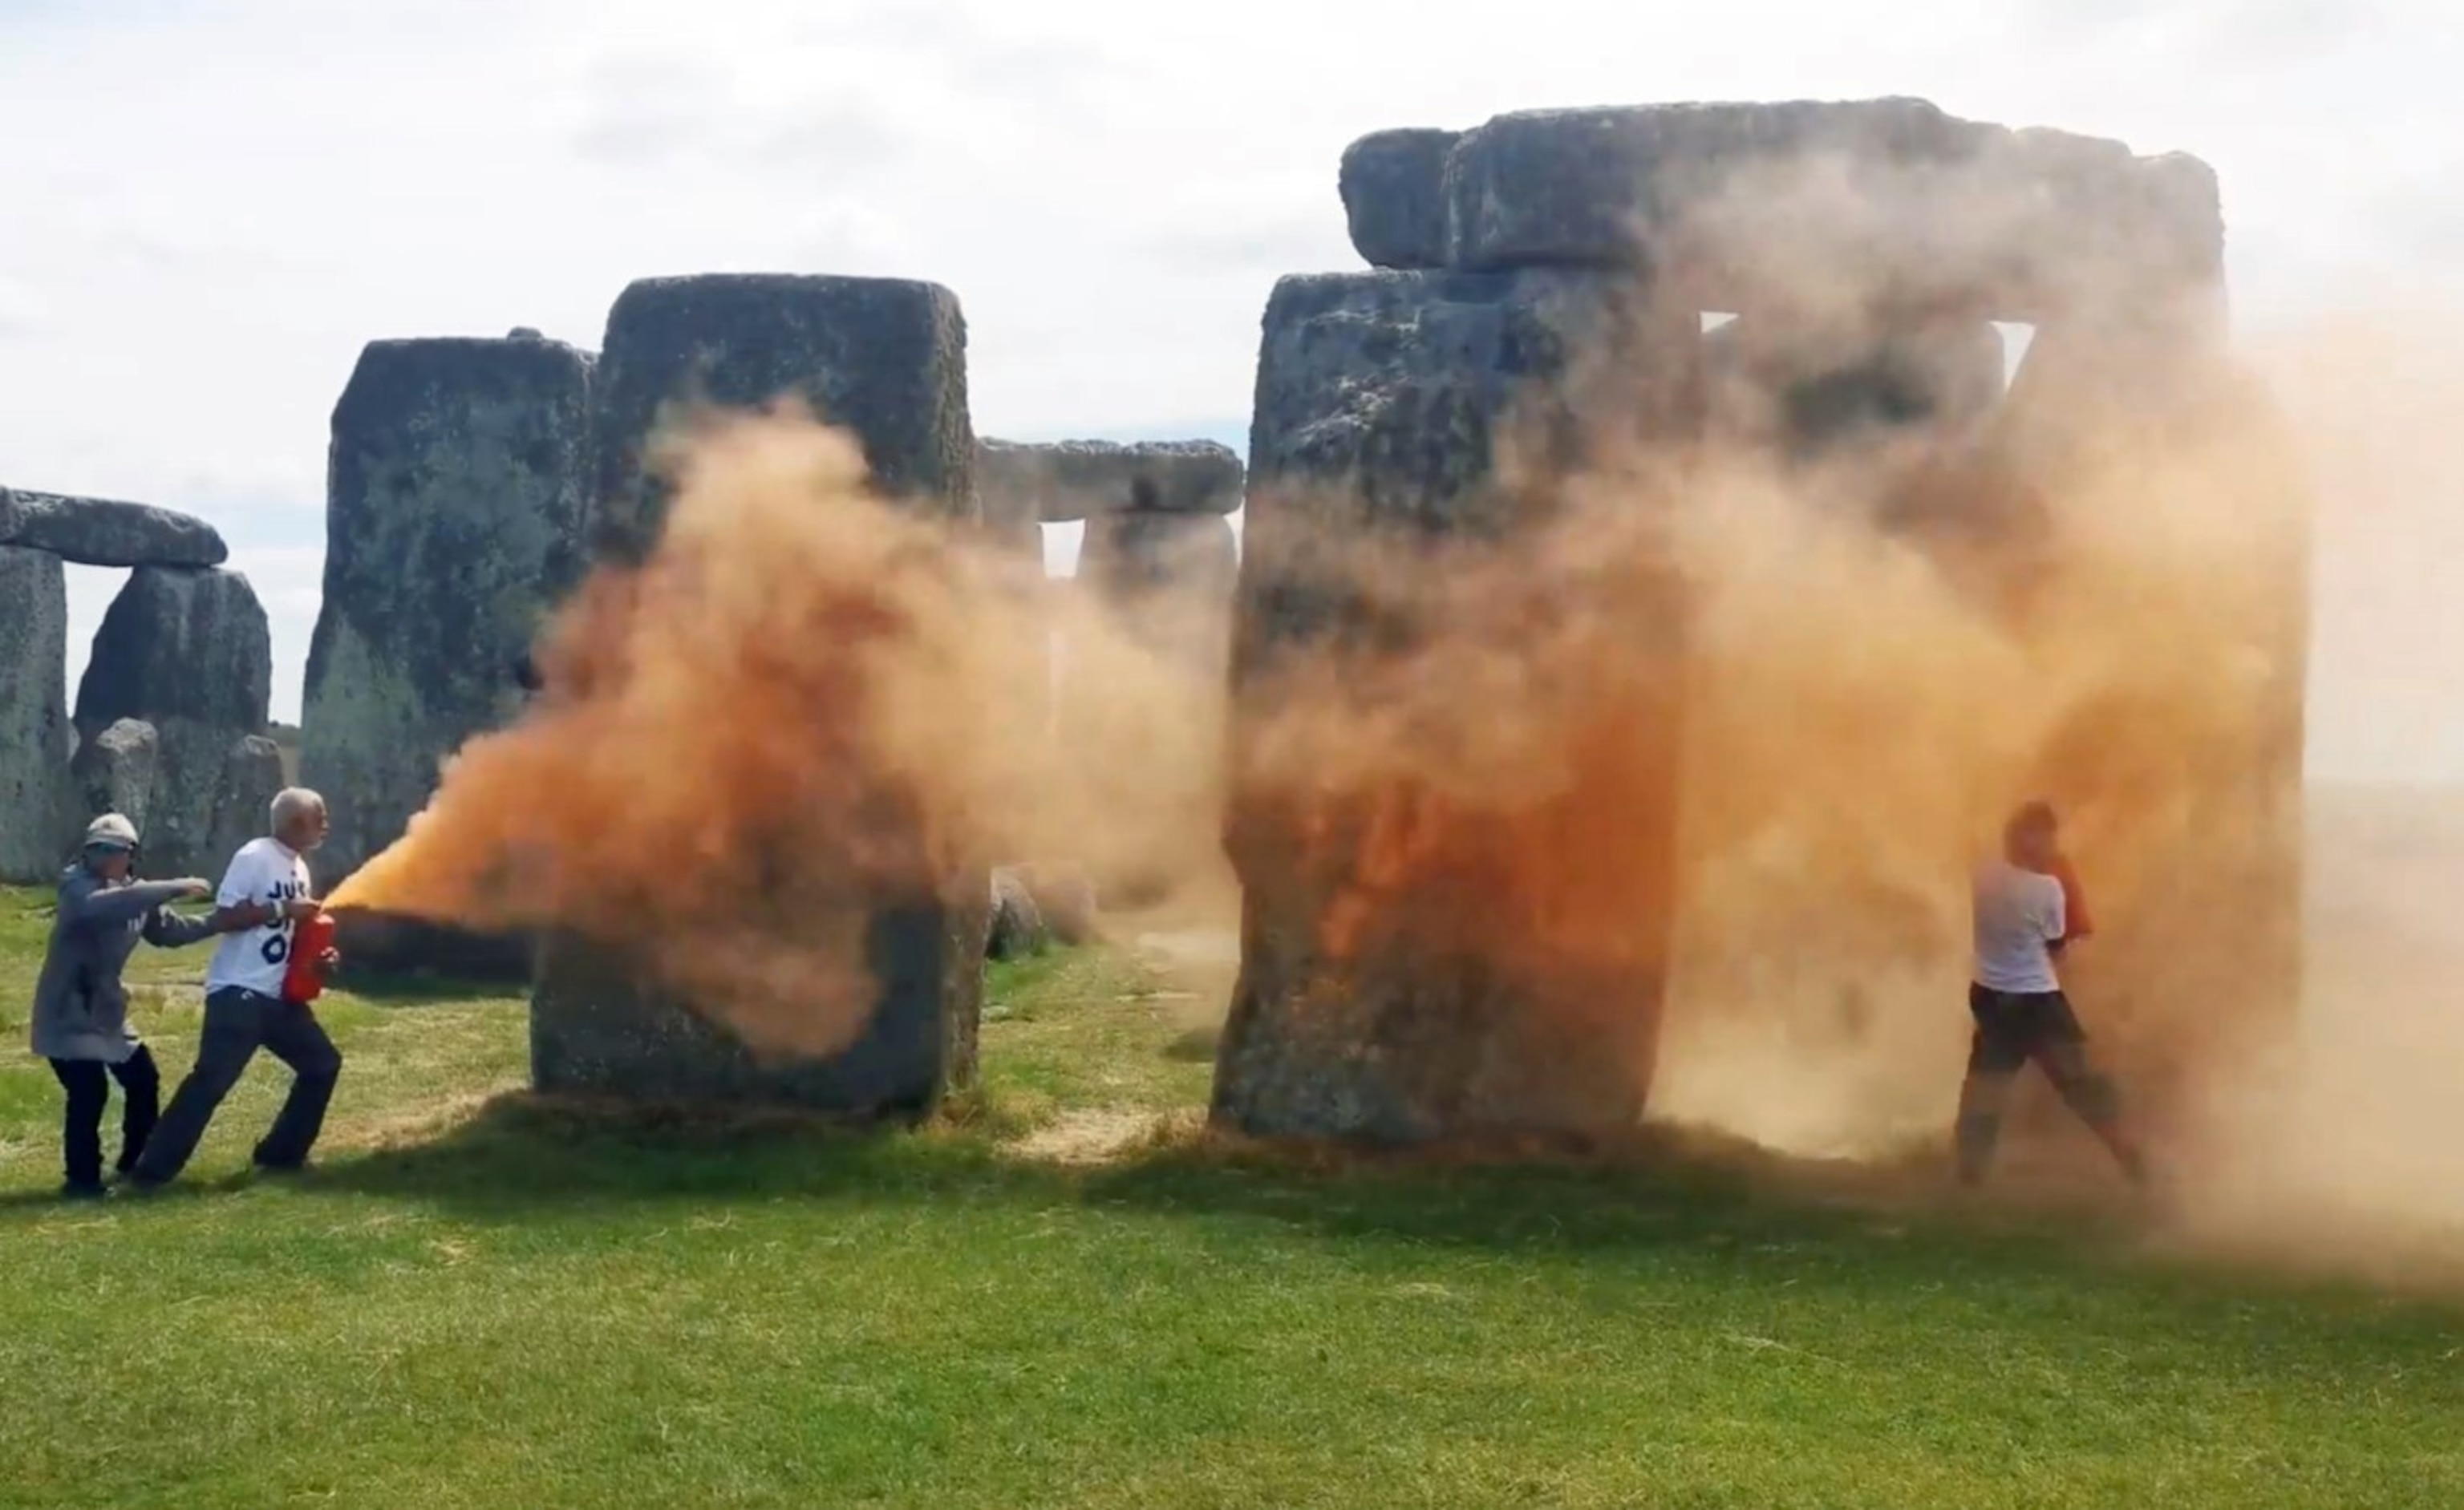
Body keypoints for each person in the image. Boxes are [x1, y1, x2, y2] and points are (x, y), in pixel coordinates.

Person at [27, 814, 276, 1200]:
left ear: (130, 855)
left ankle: (134, 1164)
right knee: (88, 1092)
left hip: (105, 1011)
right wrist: (172, 886)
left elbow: (170, 932)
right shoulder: (76, 886)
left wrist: (225, 921)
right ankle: (82, 1180)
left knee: (143, 1080)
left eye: (113, 849)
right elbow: (99, 907)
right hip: (67, 1011)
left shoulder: (136, 892)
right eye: (97, 848)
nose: (104, 856)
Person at [126, 788, 344, 1190]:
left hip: (278, 997)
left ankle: (281, 1156)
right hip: (238, 994)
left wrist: (319, 959)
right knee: (210, 1082)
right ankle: (150, 1174)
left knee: (322, 1064)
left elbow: (289, 935)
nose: (326, 825)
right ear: (297, 822)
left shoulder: (299, 868)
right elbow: (225, 916)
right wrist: (282, 909)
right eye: (321, 817)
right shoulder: (254, 856)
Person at [1954, 800, 2147, 1188]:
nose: (2052, 848)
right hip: (2036, 1000)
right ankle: (2132, 1159)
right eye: (2044, 839)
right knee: (2082, 1084)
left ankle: (1968, 1177)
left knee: (1986, 1088)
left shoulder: (1985, 875)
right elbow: (2058, 945)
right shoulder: (2046, 889)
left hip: (1991, 997)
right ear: (2026, 841)